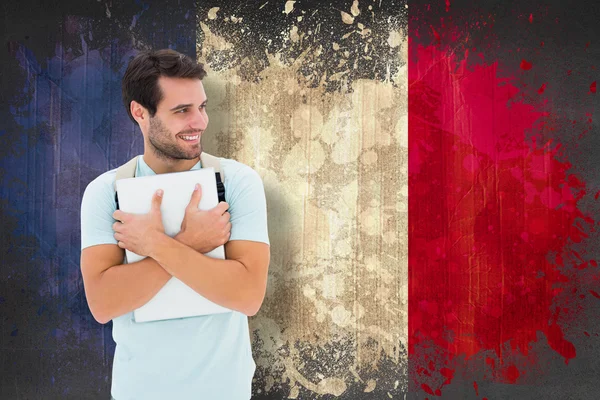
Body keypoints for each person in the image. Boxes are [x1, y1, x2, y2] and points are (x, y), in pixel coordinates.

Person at [79, 49, 270, 400]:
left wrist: (155, 244)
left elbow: (247, 296)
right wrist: (191, 241)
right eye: (182, 110)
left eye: (202, 106)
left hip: (224, 392)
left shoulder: (237, 182)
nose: (199, 122)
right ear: (140, 112)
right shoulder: (105, 192)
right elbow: (103, 305)